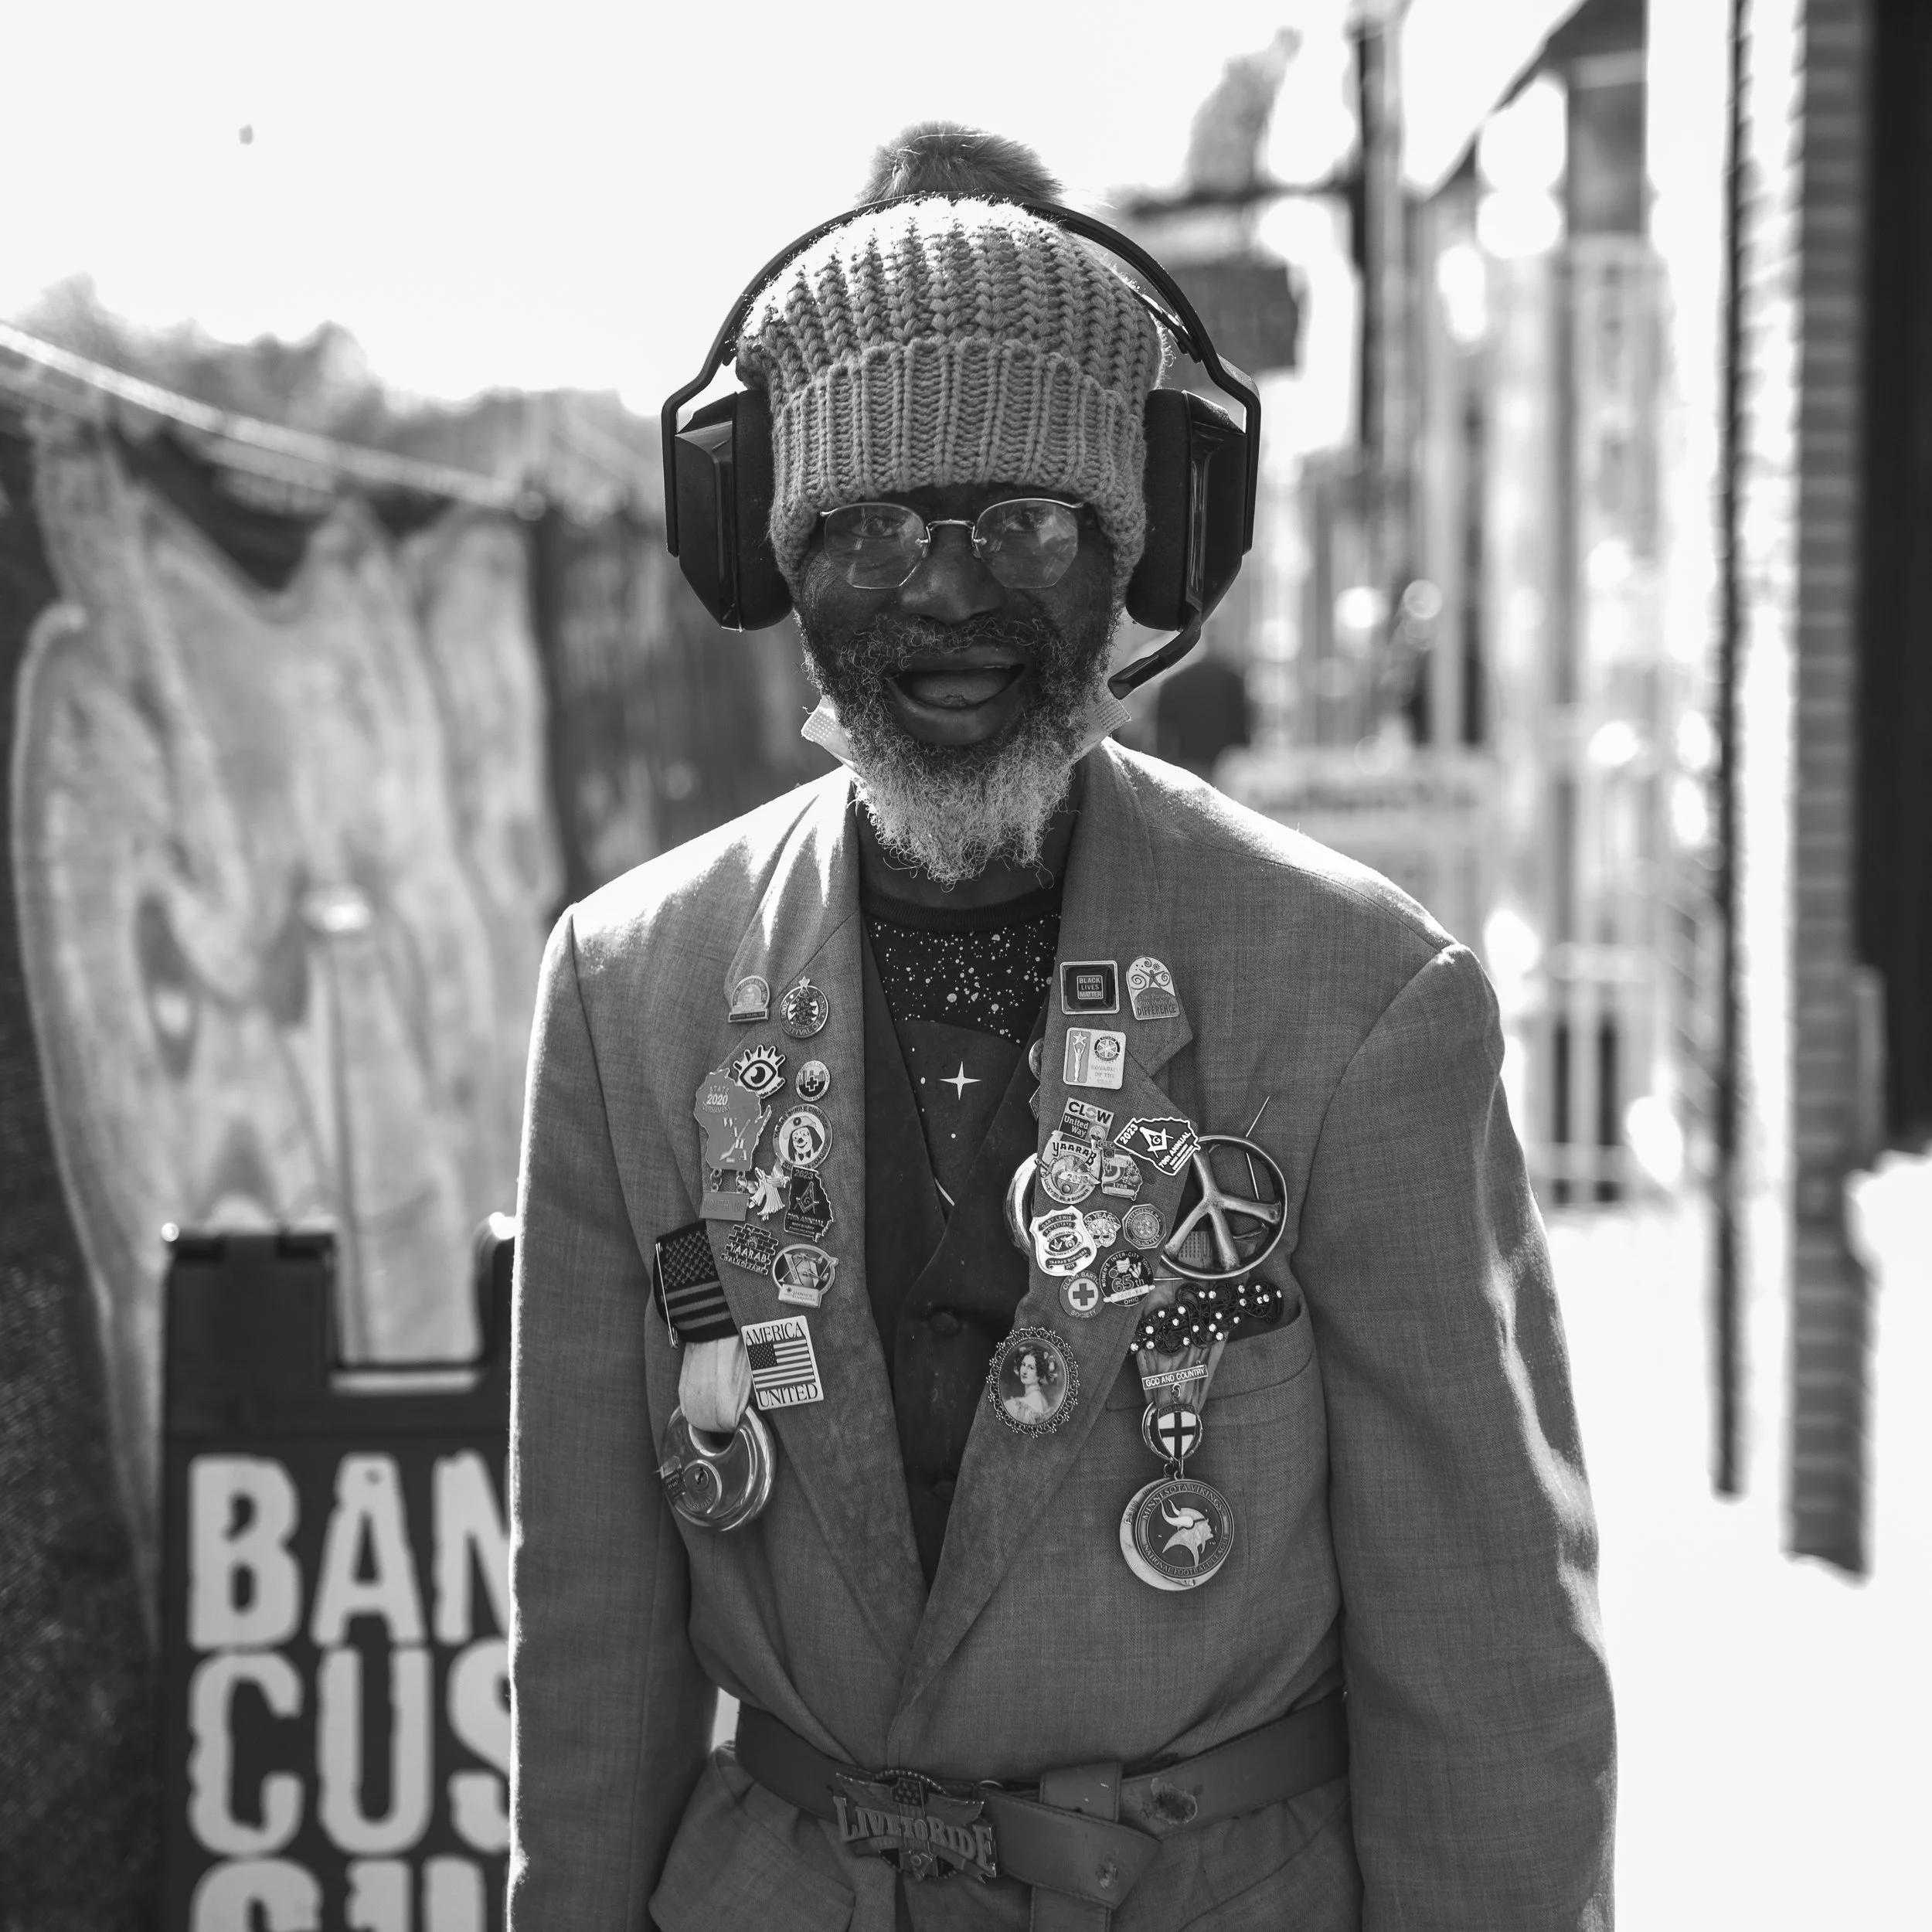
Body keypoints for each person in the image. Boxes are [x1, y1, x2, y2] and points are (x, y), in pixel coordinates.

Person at [510, 124, 1614, 1932]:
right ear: (767, 556)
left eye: (1022, 521)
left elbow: (1487, 1663)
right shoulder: (624, 985)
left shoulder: (1361, 995)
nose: (946, 594)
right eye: (871, 525)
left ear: (1136, 549)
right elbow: (586, 1648)